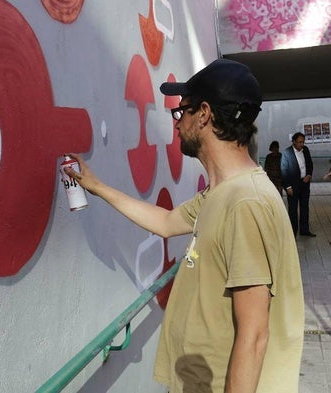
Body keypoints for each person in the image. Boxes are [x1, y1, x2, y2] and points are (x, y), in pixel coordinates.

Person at [65, 59, 303, 392]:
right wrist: (97, 186)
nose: (177, 124)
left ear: (204, 114)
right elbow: (164, 222)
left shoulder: (244, 203)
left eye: (182, 112)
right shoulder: (220, 193)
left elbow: (254, 334)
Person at [280, 132, 316, 237]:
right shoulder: (287, 153)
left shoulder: (306, 150)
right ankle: (293, 232)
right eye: (299, 142)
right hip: (293, 186)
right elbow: (284, 170)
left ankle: (304, 230)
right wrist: (288, 187)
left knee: (305, 207)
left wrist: (309, 175)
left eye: (303, 142)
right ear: (294, 142)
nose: (301, 144)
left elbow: (310, 163)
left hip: (304, 183)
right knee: (293, 209)